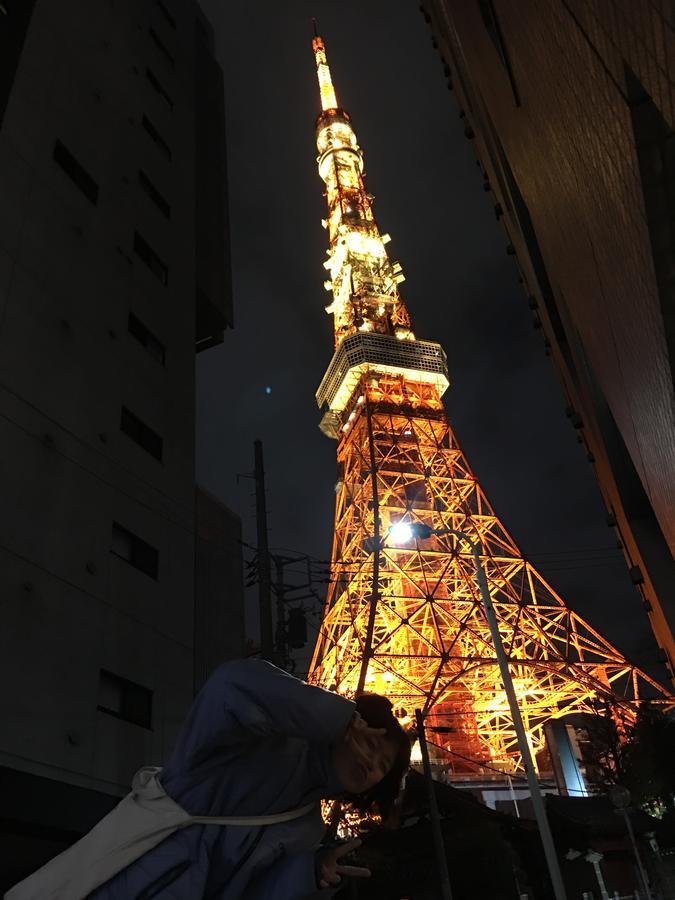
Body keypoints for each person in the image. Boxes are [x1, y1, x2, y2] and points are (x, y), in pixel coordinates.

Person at [10, 659, 410, 899]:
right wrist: (332, 716)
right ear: (352, 727)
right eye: (373, 746)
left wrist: (309, 873)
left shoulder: (307, 827)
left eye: (382, 768)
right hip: (112, 881)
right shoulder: (263, 741)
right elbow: (230, 686)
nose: (371, 765)